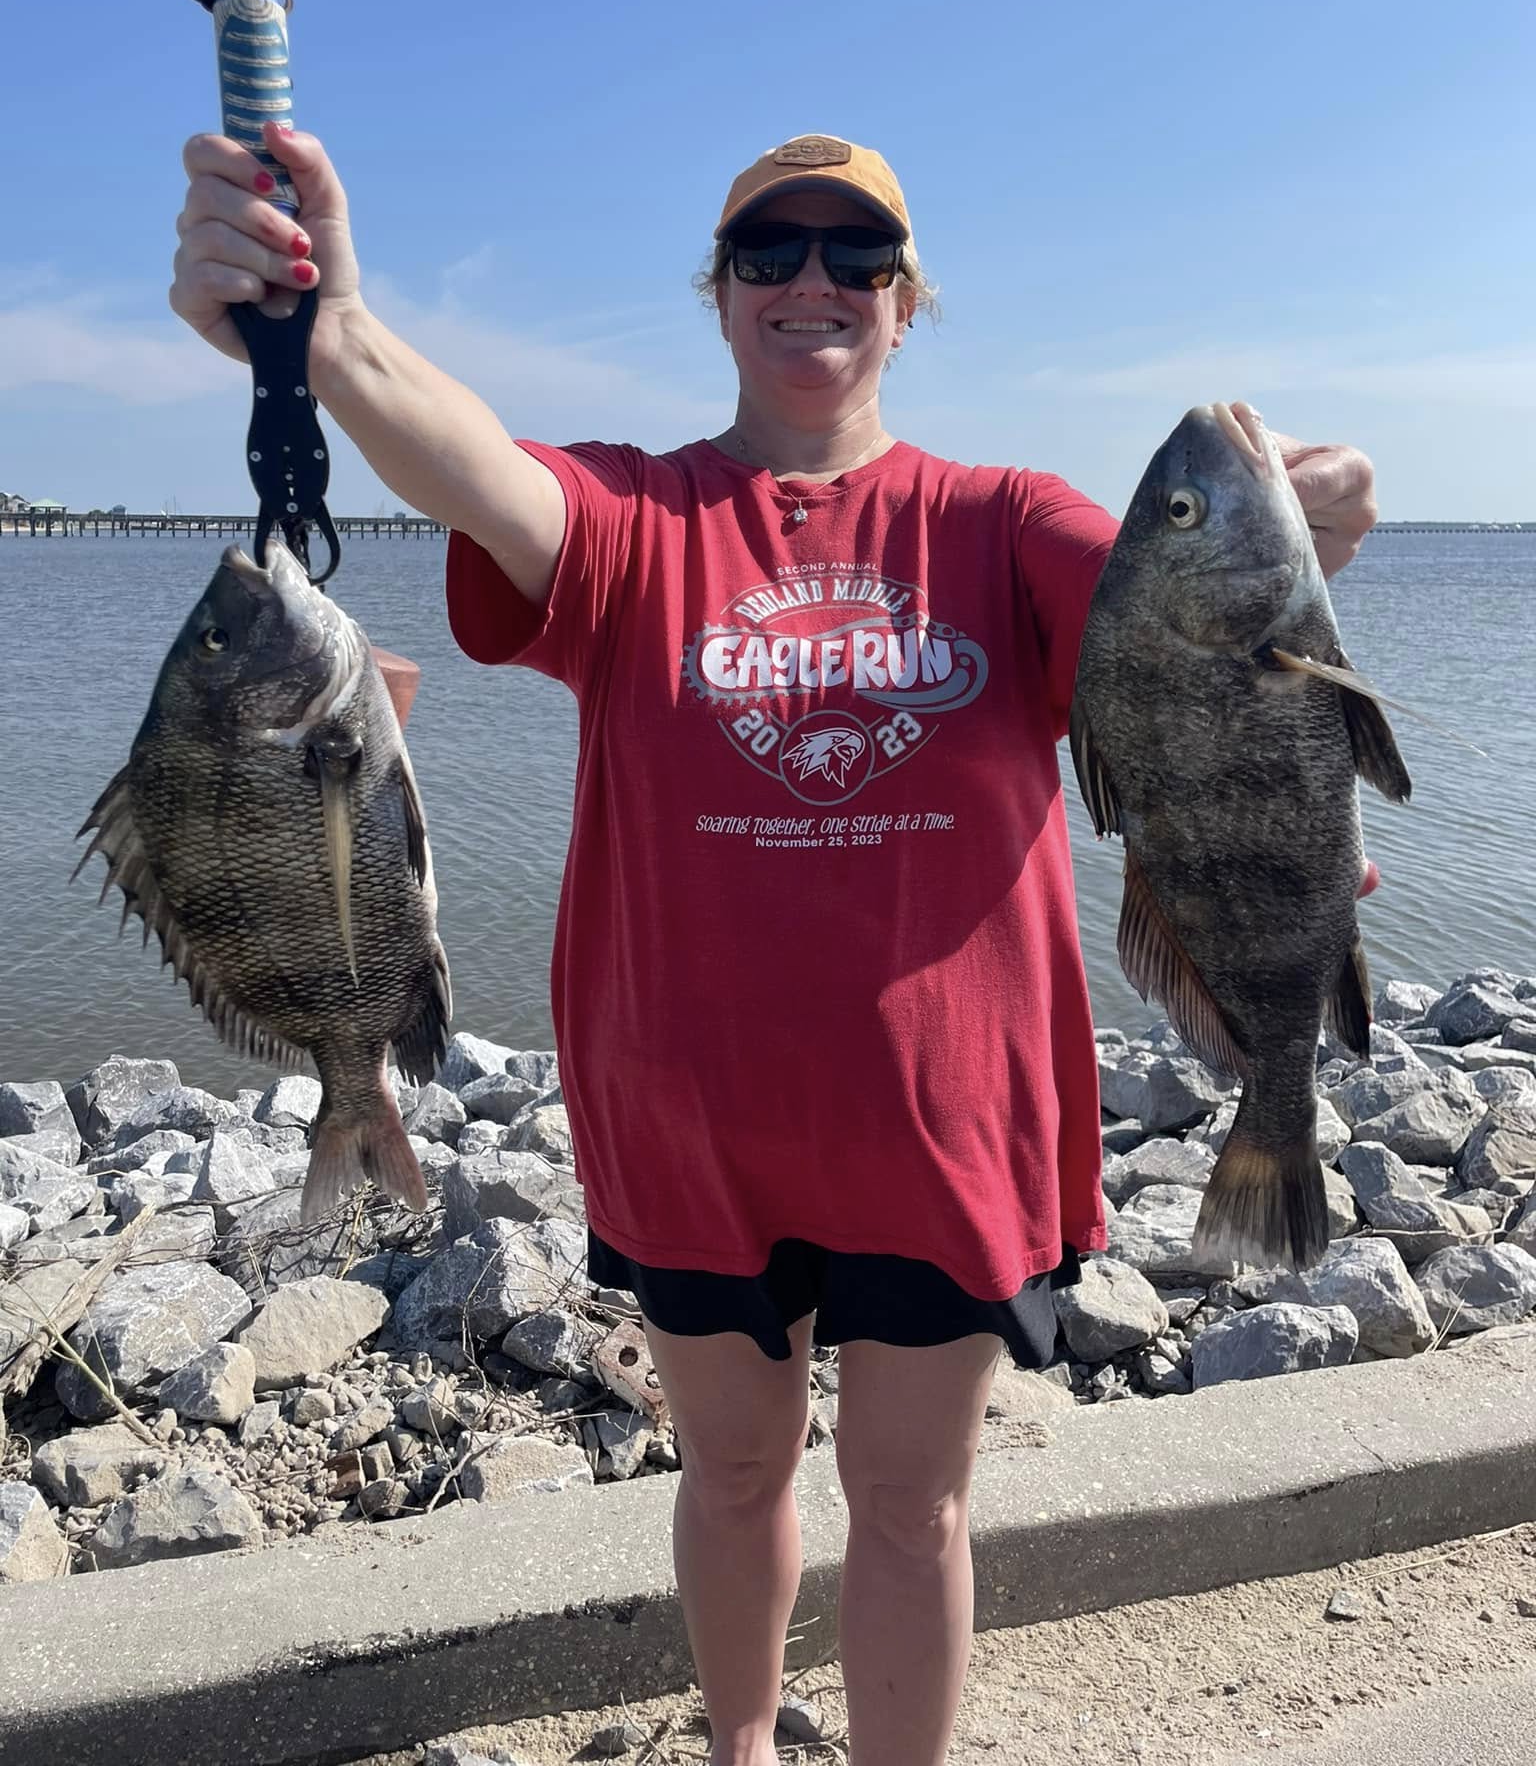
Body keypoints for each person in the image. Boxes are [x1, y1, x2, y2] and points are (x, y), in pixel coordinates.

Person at [170, 126, 1378, 1766]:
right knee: (730, 1474)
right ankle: (741, 1746)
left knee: (914, 1501)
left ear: (906, 302)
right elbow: (461, 461)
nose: (815, 281)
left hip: (948, 1115)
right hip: (693, 1113)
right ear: (722, 294)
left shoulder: (1004, 516)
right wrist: (336, 330)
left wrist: (1300, 514)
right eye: (771, 252)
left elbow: (1177, 620)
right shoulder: (635, 518)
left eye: (857, 256)